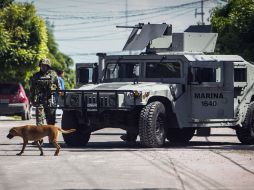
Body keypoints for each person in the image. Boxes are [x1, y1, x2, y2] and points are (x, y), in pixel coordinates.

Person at [30, 58, 60, 130]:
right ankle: (39, 139)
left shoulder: (53, 74)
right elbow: (32, 89)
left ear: (48, 66)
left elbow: (59, 87)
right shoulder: (36, 76)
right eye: (42, 65)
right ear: (40, 66)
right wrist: (32, 100)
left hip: (50, 100)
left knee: (51, 122)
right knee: (39, 121)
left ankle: (52, 140)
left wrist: (61, 97)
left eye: (45, 66)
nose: (43, 67)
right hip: (40, 100)